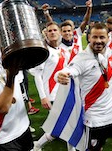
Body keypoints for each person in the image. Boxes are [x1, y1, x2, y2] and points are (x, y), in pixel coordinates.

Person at [56, 23, 112, 151]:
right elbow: (68, 70)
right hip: (94, 120)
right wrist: (60, 75)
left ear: (108, 38)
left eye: (102, 37)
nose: (98, 41)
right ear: (89, 37)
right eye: (94, 37)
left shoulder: (110, 54)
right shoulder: (82, 58)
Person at [30, 22, 74, 150]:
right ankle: (38, 145)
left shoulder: (60, 50)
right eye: (50, 31)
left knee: (62, 125)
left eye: (55, 30)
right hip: (52, 95)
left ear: (59, 32)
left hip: (64, 92)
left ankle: (38, 145)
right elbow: (37, 75)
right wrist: (43, 97)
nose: (53, 32)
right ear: (46, 34)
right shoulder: (44, 52)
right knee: (66, 124)